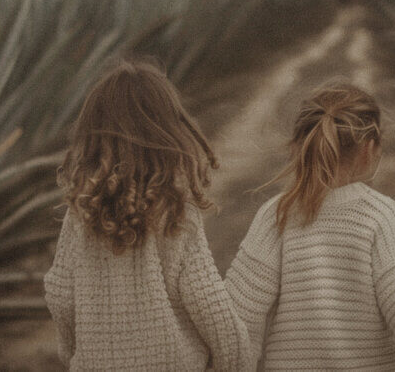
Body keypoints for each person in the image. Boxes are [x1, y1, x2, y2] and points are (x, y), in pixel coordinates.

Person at [225, 79, 395, 371]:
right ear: (369, 149)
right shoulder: (380, 214)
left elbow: (237, 316)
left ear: (298, 146)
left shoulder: (276, 214)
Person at [44, 58, 252, 371]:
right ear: (168, 130)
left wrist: (74, 354)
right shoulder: (175, 208)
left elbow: (61, 295)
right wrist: (236, 362)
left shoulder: (83, 211)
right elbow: (207, 299)